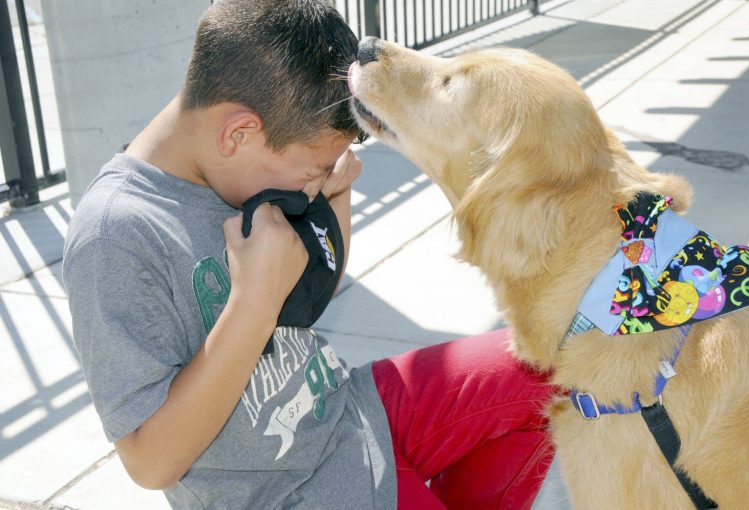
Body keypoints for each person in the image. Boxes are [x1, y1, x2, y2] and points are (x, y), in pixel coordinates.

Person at [62, 1, 556, 508]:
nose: (314, 185)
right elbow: (149, 461)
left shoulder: (242, 166)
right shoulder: (115, 237)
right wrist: (253, 303)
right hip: (294, 492)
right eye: (314, 169)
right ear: (238, 133)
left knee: (555, 366)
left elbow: (309, 294)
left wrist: (335, 197)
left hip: (352, 413)